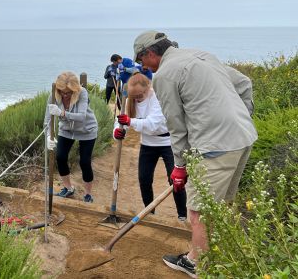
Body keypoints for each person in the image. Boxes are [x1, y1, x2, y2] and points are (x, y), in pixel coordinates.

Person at [133, 31, 257, 278]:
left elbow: (175, 125)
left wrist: (179, 165)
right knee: (218, 204)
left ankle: (196, 263)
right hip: (243, 138)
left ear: (150, 53)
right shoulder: (202, 55)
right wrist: (240, 118)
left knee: (198, 210)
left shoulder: (165, 75)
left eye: (141, 60)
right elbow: (244, 83)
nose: (142, 67)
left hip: (214, 146)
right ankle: (216, 252)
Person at [112, 72, 187, 221]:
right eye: (135, 97)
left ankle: (182, 216)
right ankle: (150, 212)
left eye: (140, 95)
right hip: (147, 144)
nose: (138, 99)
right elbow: (120, 121)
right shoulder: (129, 101)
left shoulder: (157, 97)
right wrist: (117, 132)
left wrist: (130, 122)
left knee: (175, 181)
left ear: (147, 89)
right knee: (144, 179)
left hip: (168, 143)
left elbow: (153, 124)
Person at [45, 71, 98, 203]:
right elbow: (47, 120)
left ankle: (88, 195)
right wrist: (47, 137)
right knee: (61, 157)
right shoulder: (53, 94)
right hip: (67, 130)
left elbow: (81, 117)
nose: (65, 95)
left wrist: (62, 113)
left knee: (84, 162)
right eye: (62, 92)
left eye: (68, 92)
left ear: (74, 89)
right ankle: (68, 188)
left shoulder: (82, 93)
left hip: (87, 130)